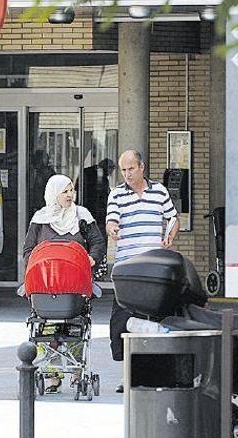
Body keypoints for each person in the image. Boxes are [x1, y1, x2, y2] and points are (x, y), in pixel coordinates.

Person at [23, 174, 106, 393]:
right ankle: (51, 375)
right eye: (65, 191)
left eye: (72, 190)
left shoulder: (82, 217)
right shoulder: (40, 220)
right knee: (45, 328)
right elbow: (28, 251)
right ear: (54, 194)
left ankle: (77, 371)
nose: (71, 195)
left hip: (74, 287)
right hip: (46, 287)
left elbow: (98, 243)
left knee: (75, 327)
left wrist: (91, 258)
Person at [106, 150, 179, 393]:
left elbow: (173, 218)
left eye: (131, 169)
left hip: (153, 268)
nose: (126, 174)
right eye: (123, 170)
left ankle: (155, 373)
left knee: (156, 321)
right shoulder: (116, 194)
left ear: (142, 167)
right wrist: (113, 228)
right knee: (122, 322)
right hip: (127, 269)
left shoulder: (159, 191)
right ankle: (126, 375)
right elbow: (111, 221)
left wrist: (171, 233)